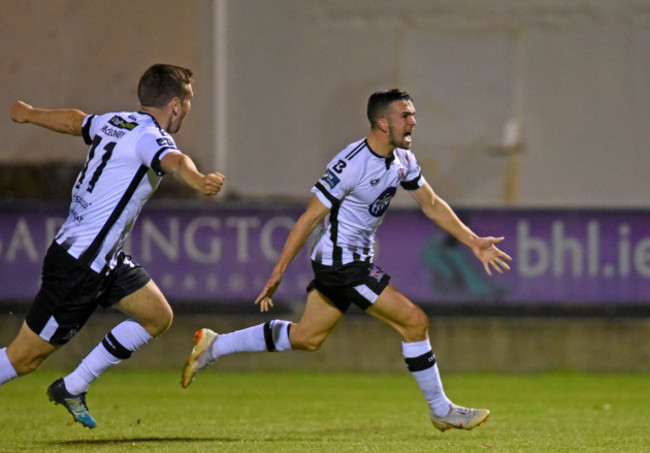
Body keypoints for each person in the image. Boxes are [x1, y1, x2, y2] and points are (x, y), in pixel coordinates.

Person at [181, 89, 511, 432]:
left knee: (308, 337)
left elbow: (431, 204)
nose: (413, 121)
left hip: (350, 262)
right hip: (342, 264)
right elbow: (308, 219)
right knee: (414, 322)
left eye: (412, 114)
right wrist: (278, 272)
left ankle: (214, 345)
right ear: (382, 123)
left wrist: (472, 241)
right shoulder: (351, 163)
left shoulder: (403, 161)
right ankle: (441, 409)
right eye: (405, 116)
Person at [0, 64, 225, 429]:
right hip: (79, 264)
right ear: (175, 104)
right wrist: (198, 180)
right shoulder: (151, 136)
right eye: (189, 101)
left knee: (157, 316)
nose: (188, 108)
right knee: (22, 359)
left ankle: (73, 386)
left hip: (102, 259)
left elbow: (76, 122)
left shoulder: (115, 121)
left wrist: (30, 115)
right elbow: (175, 161)